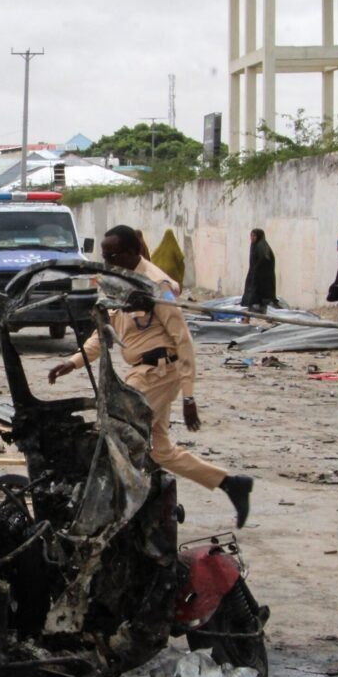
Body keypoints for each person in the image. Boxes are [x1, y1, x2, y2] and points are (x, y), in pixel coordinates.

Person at [48, 225, 252, 527]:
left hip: (158, 373)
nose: (107, 262)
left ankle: (121, 508)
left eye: (113, 255)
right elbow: (104, 332)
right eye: (104, 256)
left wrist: (189, 394)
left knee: (116, 432)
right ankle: (230, 484)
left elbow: (183, 340)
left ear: (131, 253)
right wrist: (74, 362)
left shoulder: (158, 287)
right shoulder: (120, 284)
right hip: (142, 371)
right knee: (162, 451)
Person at [241, 228, 277, 317]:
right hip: (255, 272)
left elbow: (265, 259)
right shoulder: (254, 245)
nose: (252, 238)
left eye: (254, 236)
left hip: (263, 276)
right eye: (251, 236)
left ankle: (258, 310)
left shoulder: (261, 245)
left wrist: (257, 269)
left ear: (259, 236)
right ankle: (251, 309)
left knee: (260, 292)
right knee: (252, 290)